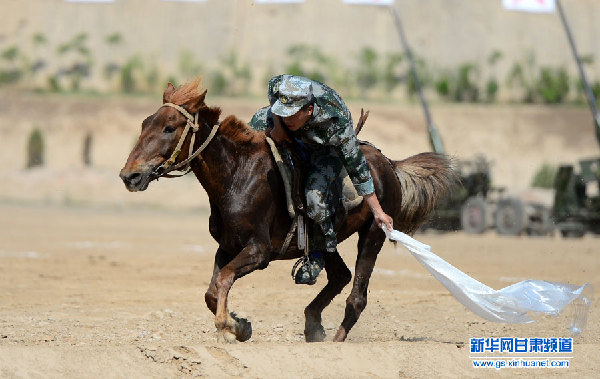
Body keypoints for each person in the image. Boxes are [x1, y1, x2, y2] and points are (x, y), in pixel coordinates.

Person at [249, 74, 393, 284]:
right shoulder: (282, 87)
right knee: (249, 128)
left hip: (324, 148)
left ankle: (318, 254)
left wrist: (377, 211)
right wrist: (279, 124)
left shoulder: (337, 124)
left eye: (292, 114)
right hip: (290, 125)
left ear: (309, 110)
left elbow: (358, 167)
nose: (288, 118)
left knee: (315, 199)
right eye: (284, 112)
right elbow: (273, 89)